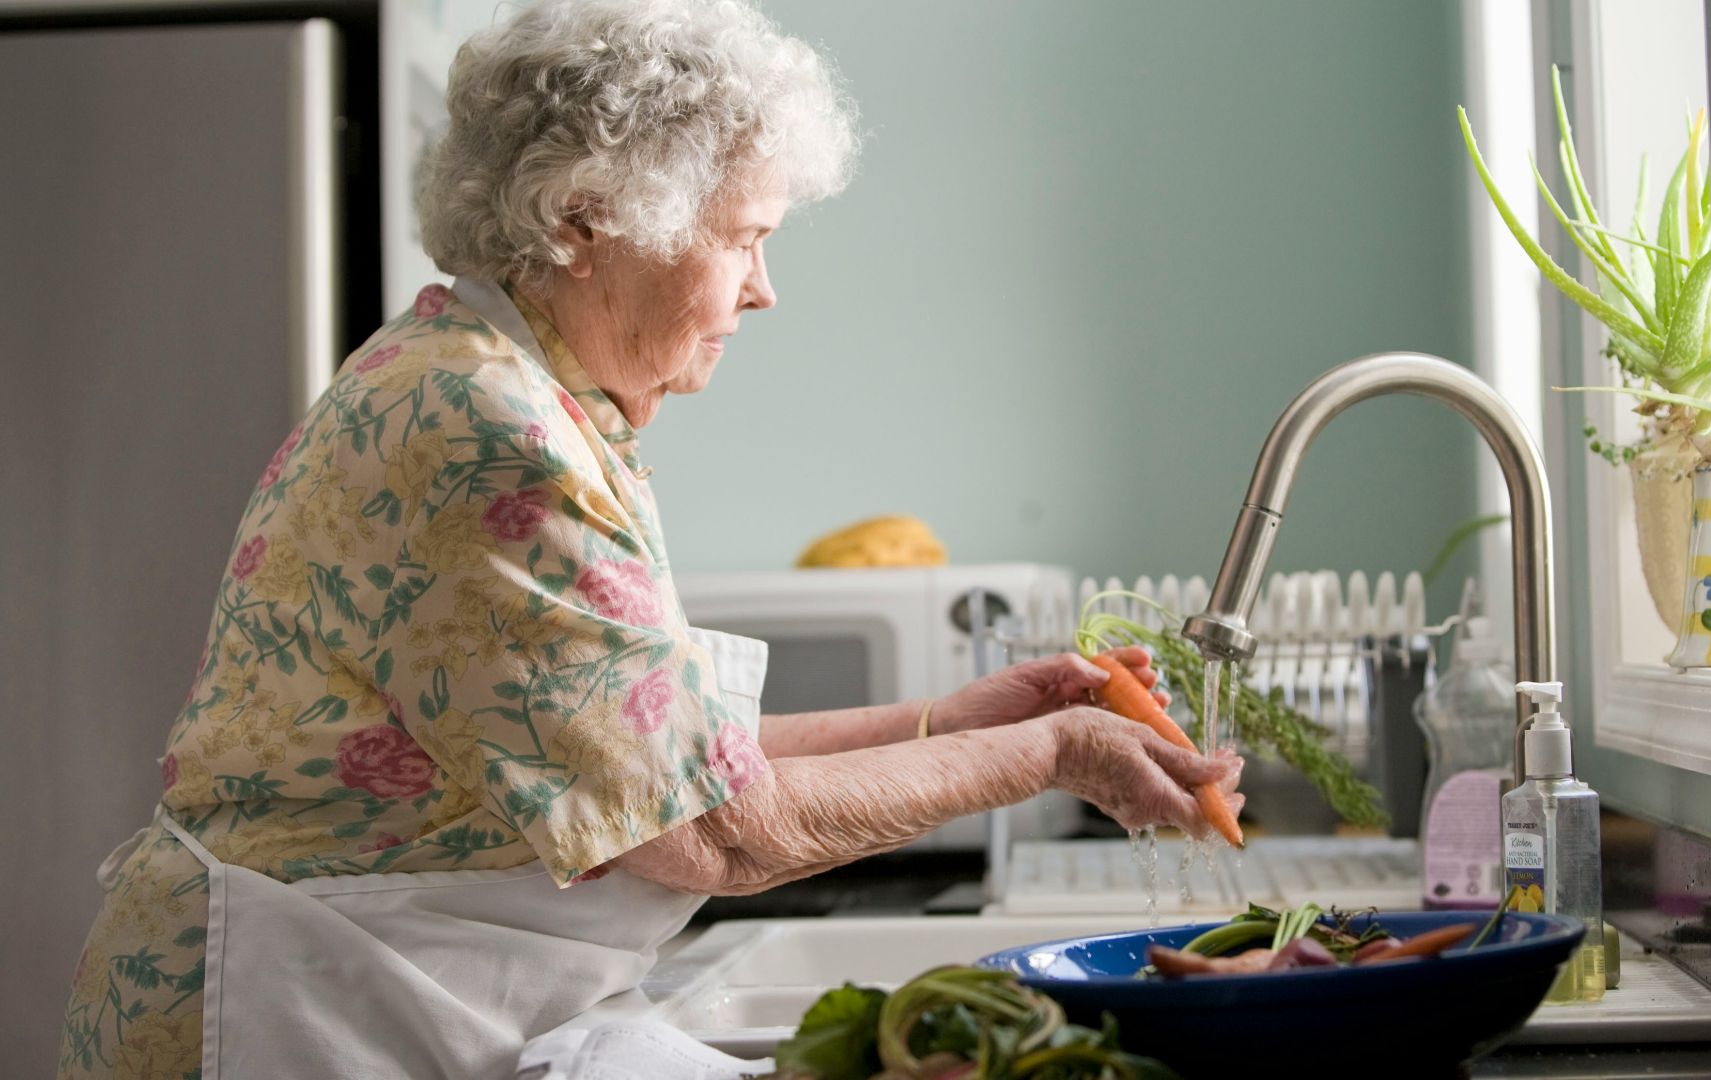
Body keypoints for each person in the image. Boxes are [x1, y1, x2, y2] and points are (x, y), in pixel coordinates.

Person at [56, 1, 1242, 1076]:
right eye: (744, 237)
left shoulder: (510, 394)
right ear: (587, 219)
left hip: (362, 991)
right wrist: (1051, 756)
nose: (765, 288)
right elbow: (709, 832)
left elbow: (664, 759)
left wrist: (969, 718)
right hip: (287, 1019)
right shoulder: (487, 435)